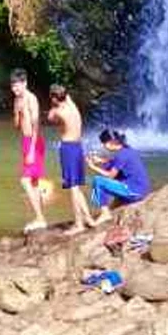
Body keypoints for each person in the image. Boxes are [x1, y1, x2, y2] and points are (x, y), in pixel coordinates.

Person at [47, 85, 97, 234]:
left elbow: (50, 117)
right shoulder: (71, 105)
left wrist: (53, 105)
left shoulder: (59, 112)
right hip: (78, 146)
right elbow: (64, 96)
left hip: (68, 148)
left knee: (73, 188)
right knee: (77, 186)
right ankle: (88, 218)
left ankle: (79, 224)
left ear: (55, 99)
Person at [10, 69, 48, 232]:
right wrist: (17, 114)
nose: (15, 89)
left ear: (24, 83)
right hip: (25, 141)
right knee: (34, 182)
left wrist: (32, 150)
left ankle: (40, 218)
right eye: (13, 86)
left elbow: (36, 125)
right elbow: (16, 125)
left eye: (18, 86)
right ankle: (41, 218)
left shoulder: (31, 99)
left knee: (25, 181)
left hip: (35, 142)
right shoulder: (17, 100)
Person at [89, 129, 151, 223]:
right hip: (142, 190)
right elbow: (114, 163)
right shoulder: (128, 150)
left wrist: (93, 167)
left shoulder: (121, 156)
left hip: (135, 192)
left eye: (104, 143)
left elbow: (110, 176)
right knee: (116, 176)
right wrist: (101, 161)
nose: (104, 146)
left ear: (111, 142)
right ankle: (112, 207)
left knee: (98, 181)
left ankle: (105, 213)